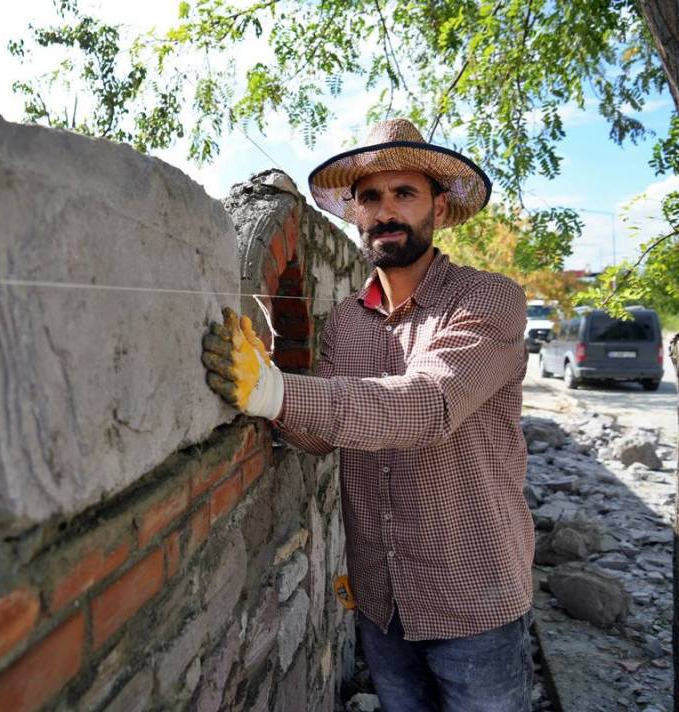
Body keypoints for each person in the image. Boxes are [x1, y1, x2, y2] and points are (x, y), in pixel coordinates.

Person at [201, 119, 534, 711]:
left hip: (474, 598)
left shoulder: (489, 300)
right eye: (370, 197)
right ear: (354, 212)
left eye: (404, 193)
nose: (385, 211)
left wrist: (278, 391)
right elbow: (317, 436)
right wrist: (266, 384)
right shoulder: (348, 321)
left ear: (438, 204)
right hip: (381, 604)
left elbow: (426, 406)